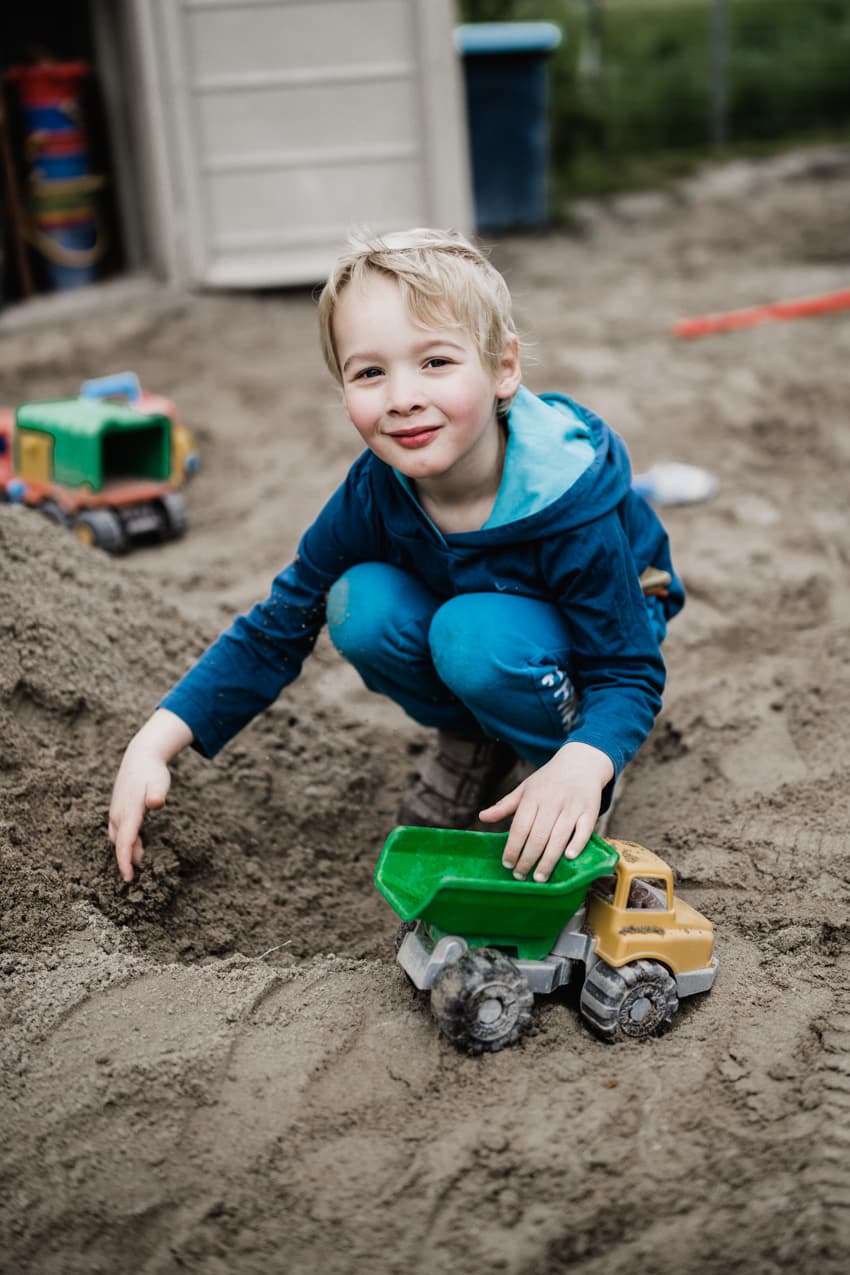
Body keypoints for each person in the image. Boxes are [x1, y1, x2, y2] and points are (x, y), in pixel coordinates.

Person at [109, 228, 683, 888]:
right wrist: (153, 741)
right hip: (478, 619)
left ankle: (560, 763)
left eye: (435, 362)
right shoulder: (374, 492)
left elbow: (628, 669)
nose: (402, 397)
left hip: (588, 641)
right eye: (370, 372)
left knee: (474, 635)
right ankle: (473, 739)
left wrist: (587, 758)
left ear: (503, 367)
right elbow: (277, 628)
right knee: (361, 604)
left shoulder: (564, 501)